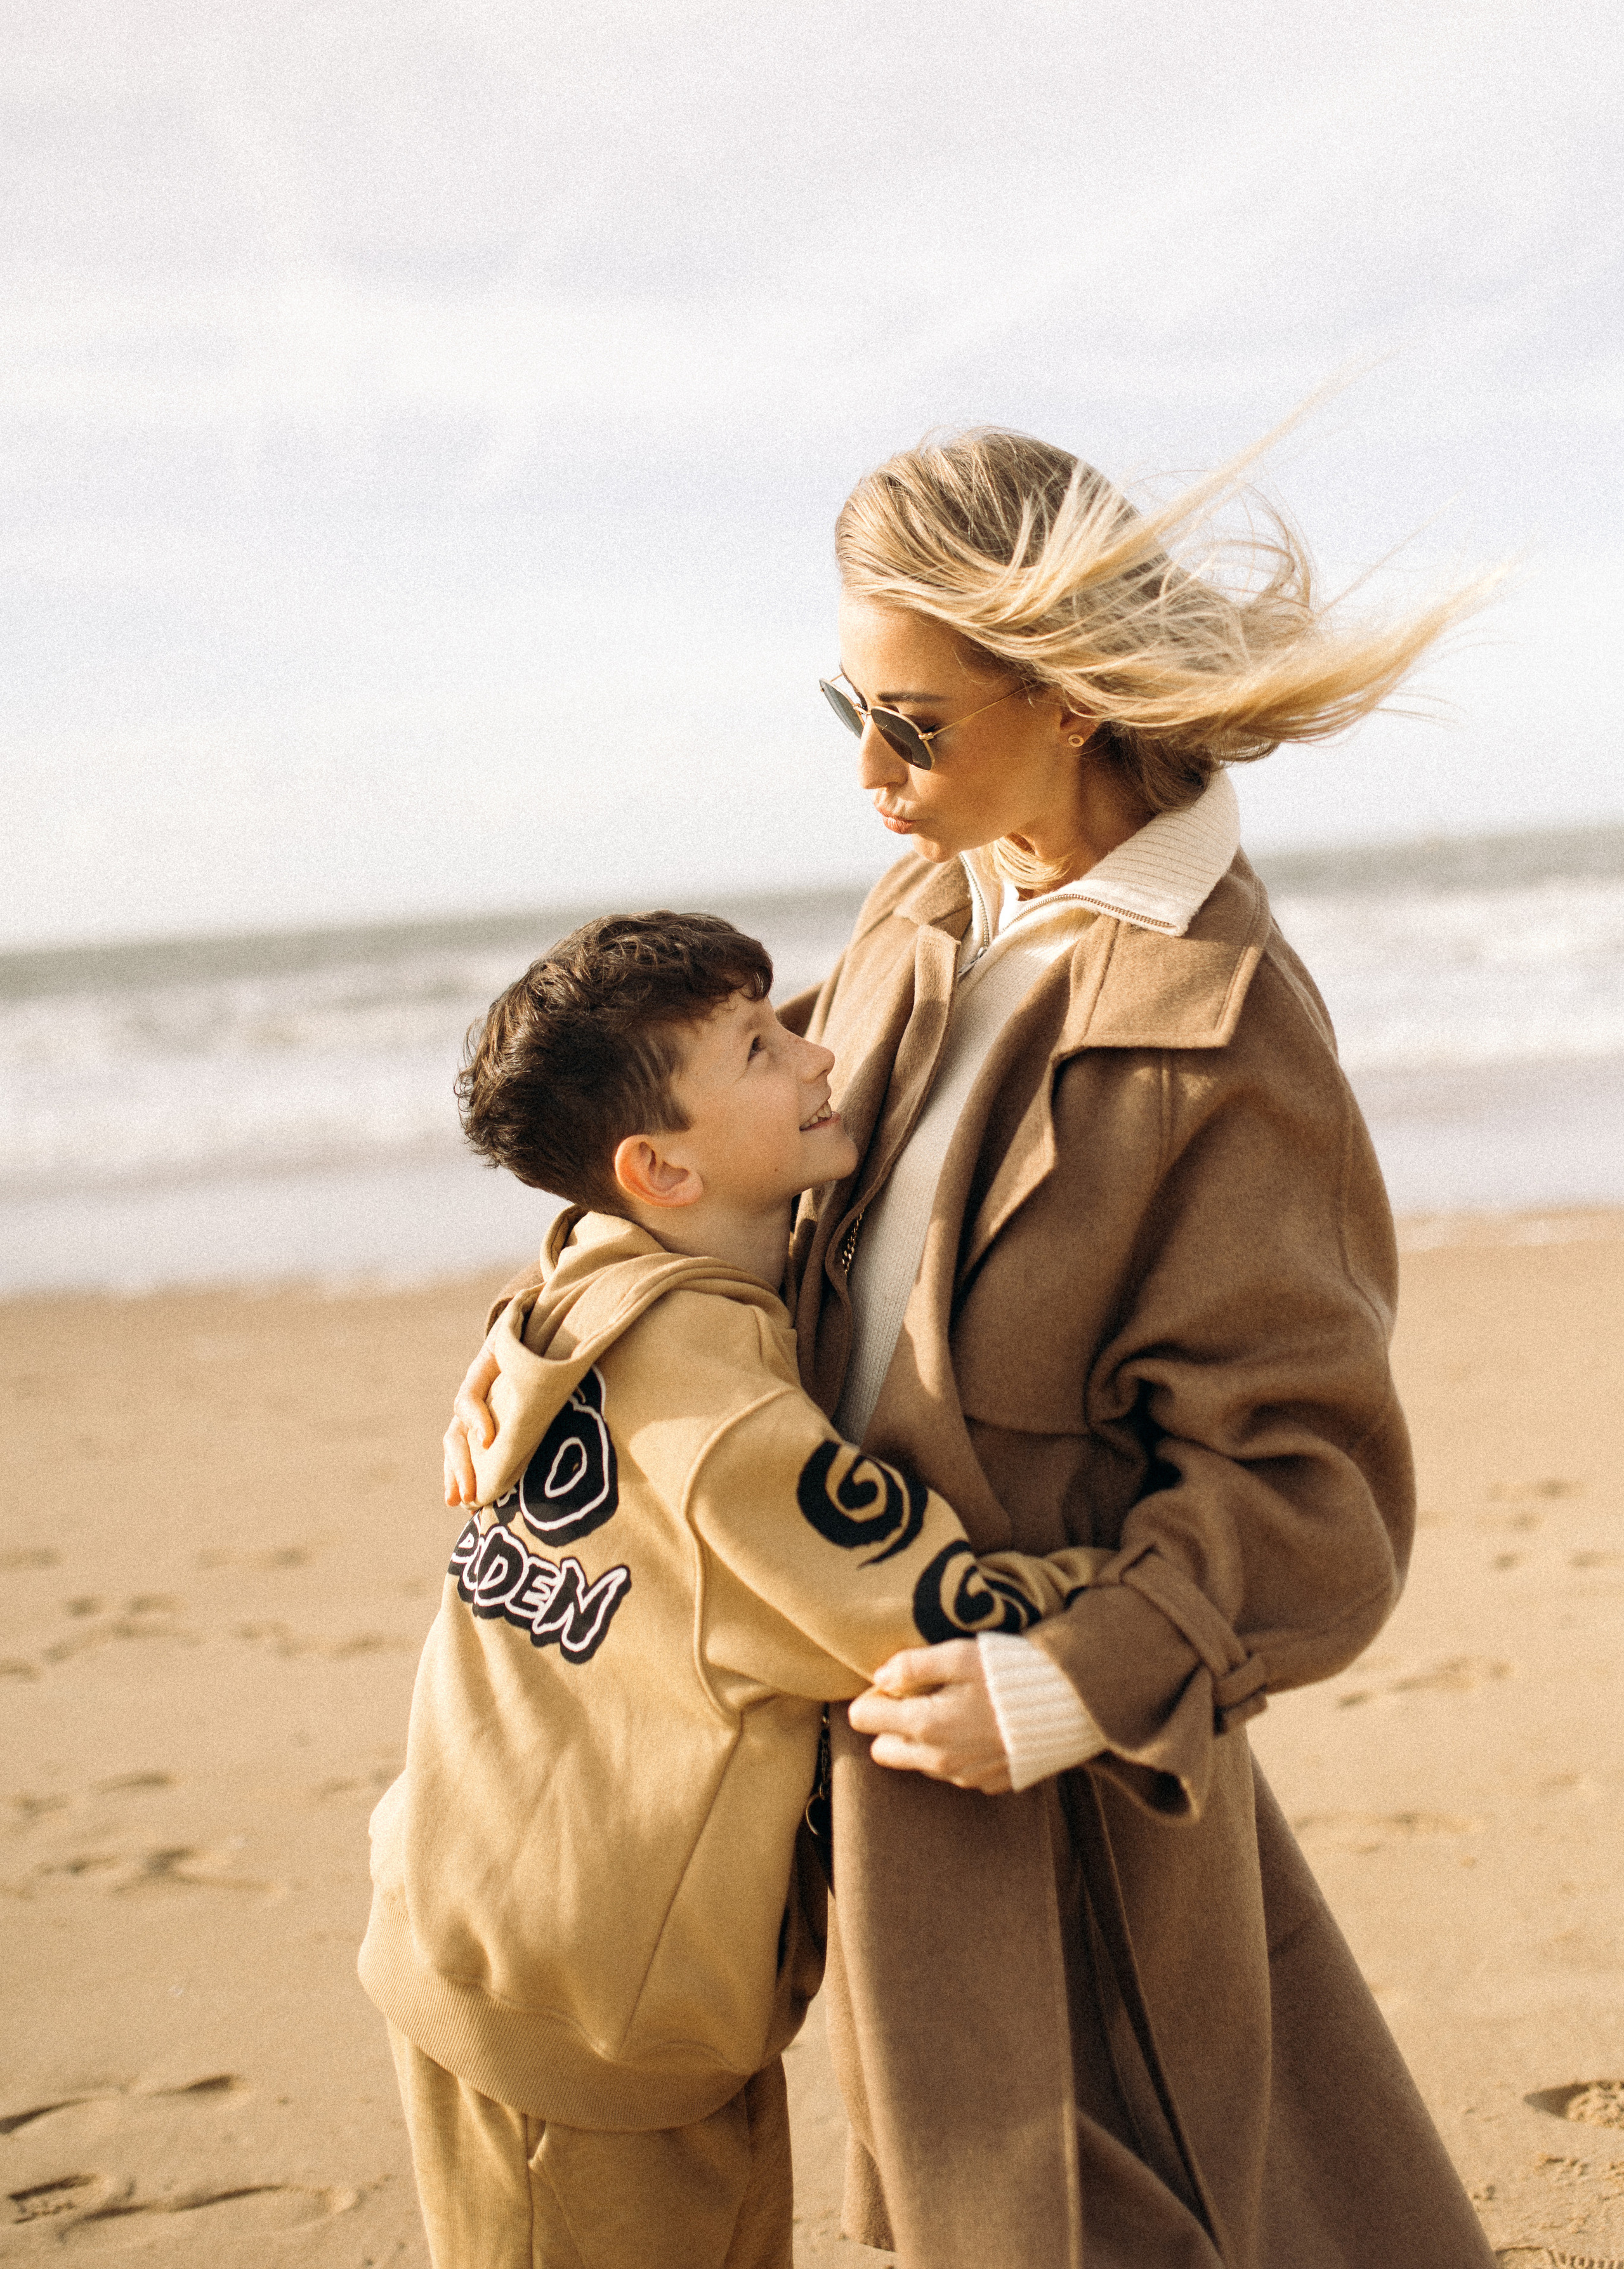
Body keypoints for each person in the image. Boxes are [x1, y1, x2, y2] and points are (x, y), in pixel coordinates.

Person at [448, 430, 1498, 2268]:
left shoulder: (1224, 1033)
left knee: (1142, 2206)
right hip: (863, 1750)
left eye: (913, 726)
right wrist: (564, 1330)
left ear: (1077, 697)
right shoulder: (927, 905)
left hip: (1064, 1784)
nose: (867, 771)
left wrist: (1078, 1681)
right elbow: (711, 1173)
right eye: (847, 707)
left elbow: (1316, 1497)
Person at [363, 909, 1104, 2269]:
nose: (822, 1059)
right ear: (658, 1165)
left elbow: (567, 1254)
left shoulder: (591, 1273)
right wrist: (1138, 1571)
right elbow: (949, 1614)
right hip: (589, 2018)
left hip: (486, 1924)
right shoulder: (724, 1435)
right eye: (761, 1048)